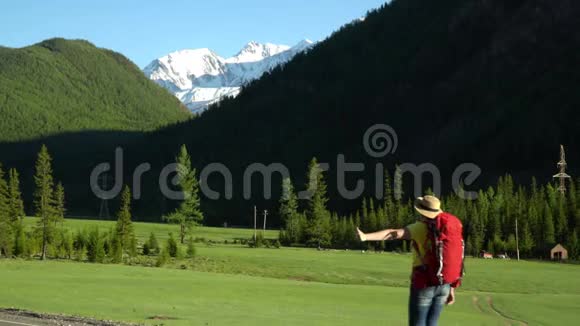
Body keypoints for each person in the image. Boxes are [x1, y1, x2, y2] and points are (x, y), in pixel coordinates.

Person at [356, 195, 464, 326]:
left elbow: (393, 234)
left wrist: (365, 237)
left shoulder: (419, 228)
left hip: (423, 283)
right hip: (444, 285)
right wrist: (451, 288)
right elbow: (452, 258)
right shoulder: (447, 228)